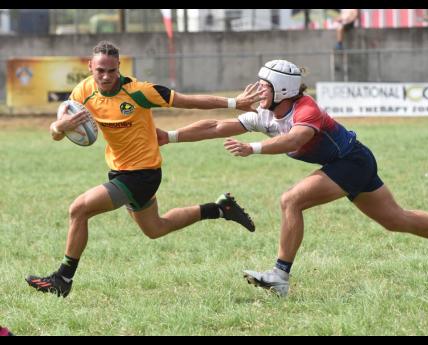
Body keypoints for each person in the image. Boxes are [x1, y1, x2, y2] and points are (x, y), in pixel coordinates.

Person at [156, 59, 428, 297]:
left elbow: (293, 140)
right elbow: (215, 127)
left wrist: (254, 148)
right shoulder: (264, 113)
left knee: (291, 200)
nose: (257, 90)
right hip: (350, 163)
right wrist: (170, 136)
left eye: (264, 86)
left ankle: (279, 276)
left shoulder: (306, 109)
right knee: (396, 220)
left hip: (351, 161)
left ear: (283, 90)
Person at [25, 40, 259, 298]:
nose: (105, 76)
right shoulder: (83, 92)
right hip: (119, 171)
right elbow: (56, 133)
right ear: (90, 66)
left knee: (78, 209)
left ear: (119, 68)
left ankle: (63, 278)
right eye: (100, 70)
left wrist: (234, 102)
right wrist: (59, 127)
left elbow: (187, 101)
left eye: (111, 71)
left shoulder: (139, 91)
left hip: (143, 174)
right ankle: (220, 208)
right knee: (156, 228)